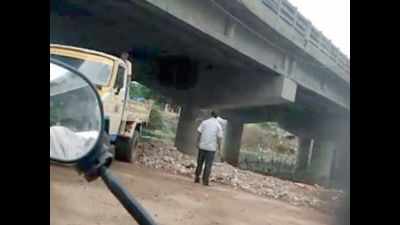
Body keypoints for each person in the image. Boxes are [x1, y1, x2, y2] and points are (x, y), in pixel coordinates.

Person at [194, 111, 223, 186]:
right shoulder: (218, 125)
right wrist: (219, 149)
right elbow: (219, 139)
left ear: (211, 115)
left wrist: (197, 142)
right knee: (208, 164)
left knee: (199, 163)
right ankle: (205, 181)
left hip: (202, 146)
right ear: (218, 116)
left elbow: (199, 133)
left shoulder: (204, 122)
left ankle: (197, 177)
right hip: (211, 148)